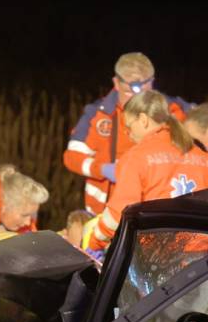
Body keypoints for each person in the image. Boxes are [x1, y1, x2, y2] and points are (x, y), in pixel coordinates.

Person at [84, 90, 208, 252]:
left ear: (143, 120)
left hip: (157, 258)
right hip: (204, 260)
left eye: (129, 127)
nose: (128, 134)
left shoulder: (136, 158)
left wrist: (95, 242)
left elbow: (119, 213)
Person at [63, 52, 193, 215]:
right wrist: (102, 169)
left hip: (155, 207)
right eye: (129, 93)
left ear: (152, 82)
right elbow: (72, 157)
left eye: (142, 92)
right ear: (116, 83)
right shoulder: (97, 115)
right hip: (103, 210)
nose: (136, 101)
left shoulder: (173, 111)